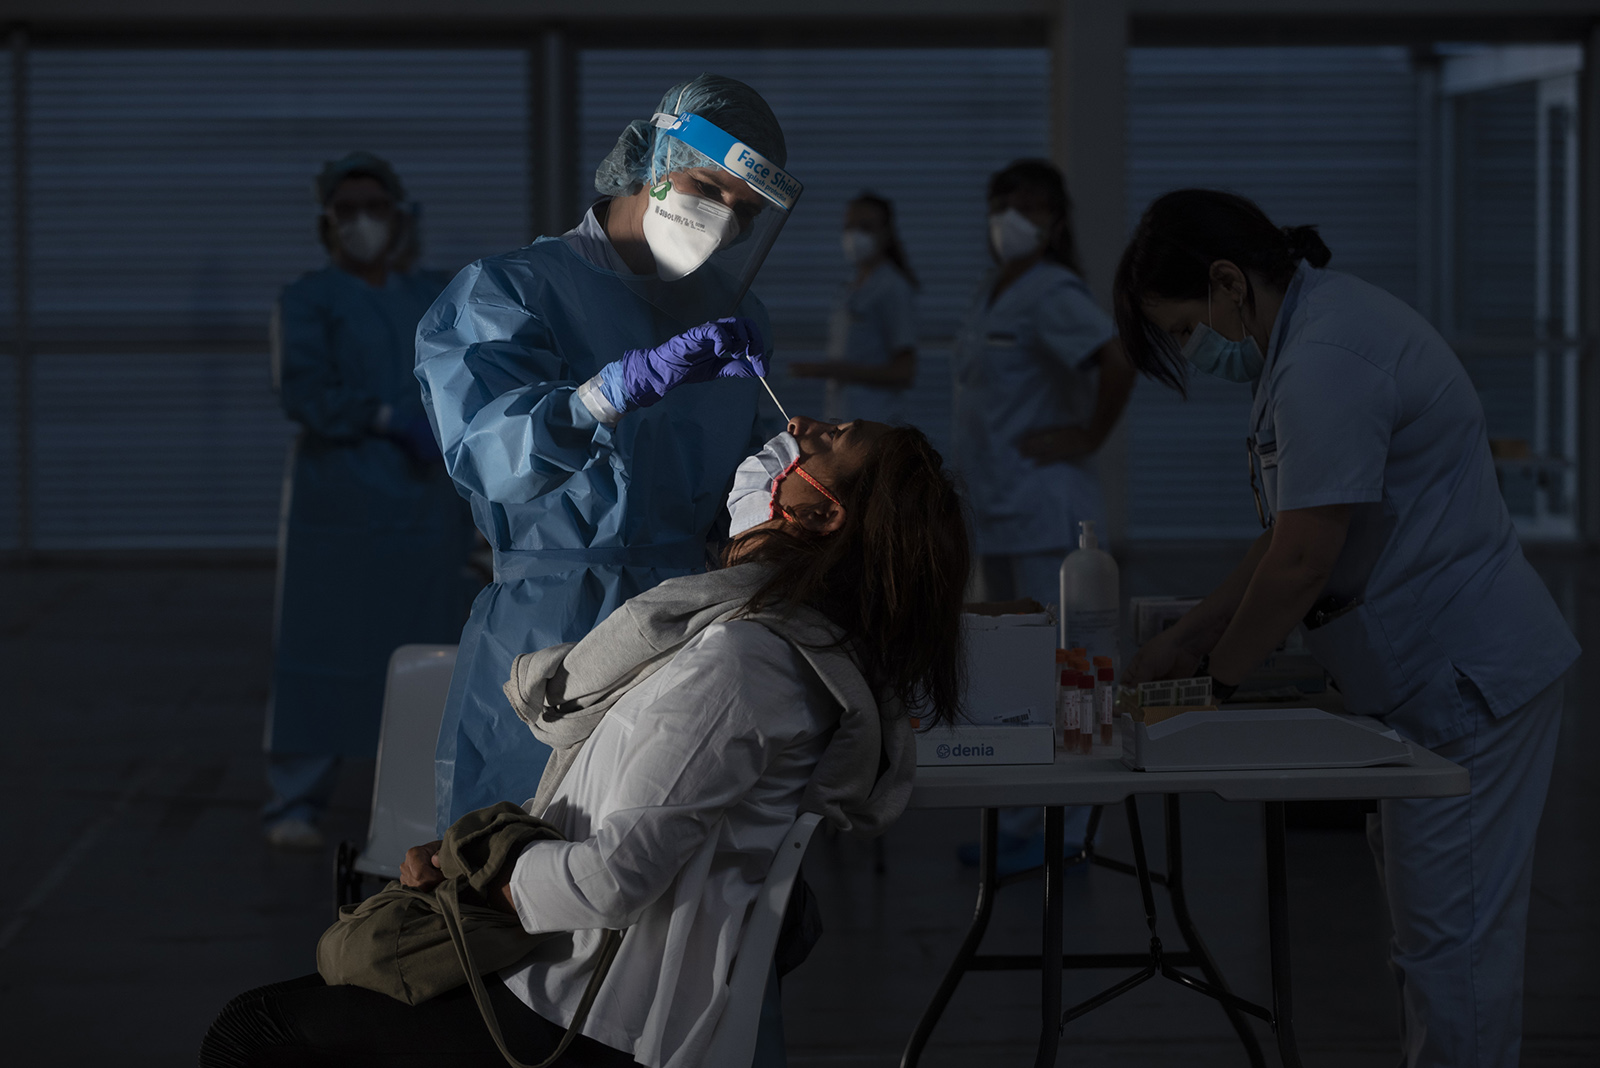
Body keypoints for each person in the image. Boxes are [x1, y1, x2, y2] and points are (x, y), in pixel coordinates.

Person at [200, 415, 972, 1068]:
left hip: (582, 1022)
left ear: (818, 515)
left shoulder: (745, 665)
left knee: (253, 1034)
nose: (799, 426)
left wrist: (481, 871)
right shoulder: (762, 642)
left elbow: (612, 882)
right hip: (575, 984)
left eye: (830, 439)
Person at [1114, 188, 1578, 1068]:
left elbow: (1302, 564)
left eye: (1184, 329)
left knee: (1455, 950)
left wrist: (1210, 693)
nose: (1195, 350)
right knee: (1435, 940)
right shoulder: (1313, 336)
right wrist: (1194, 638)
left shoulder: (1329, 356)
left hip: (1468, 680)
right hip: (1423, 677)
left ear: (1227, 282)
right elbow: (1287, 534)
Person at [416, 75, 800, 835]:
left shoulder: (731, 313)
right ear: (655, 157)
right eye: (705, 188)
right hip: (548, 629)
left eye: (746, 211)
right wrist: (608, 393)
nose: (722, 220)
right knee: (516, 872)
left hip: (685, 630)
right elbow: (491, 456)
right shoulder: (507, 293)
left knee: (658, 878)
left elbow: (745, 477)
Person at [264, 151, 475, 850]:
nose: (362, 223)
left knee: (426, 645)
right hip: (341, 502)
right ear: (326, 222)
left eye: (374, 208)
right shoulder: (307, 300)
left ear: (401, 215)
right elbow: (304, 392)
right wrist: (384, 419)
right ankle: (296, 798)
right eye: (347, 210)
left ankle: (427, 794)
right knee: (323, 642)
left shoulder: (434, 296)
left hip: (422, 504)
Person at [950, 159, 1136, 871]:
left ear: (1057, 223)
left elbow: (1117, 361)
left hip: (1049, 515)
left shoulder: (1052, 290)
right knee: (1019, 671)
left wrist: (1087, 436)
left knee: (1070, 672)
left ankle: (1073, 830)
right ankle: (1030, 819)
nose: (1012, 220)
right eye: (1003, 204)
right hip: (999, 509)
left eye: (1030, 208)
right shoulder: (994, 291)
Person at [790, 193, 918, 424]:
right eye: (849, 227)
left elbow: (904, 371)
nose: (855, 235)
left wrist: (830, 371)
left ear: (886, 233)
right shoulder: (851, 288)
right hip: (844, 417)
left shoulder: (893, 287)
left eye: (865, 227)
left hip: (877, 420)